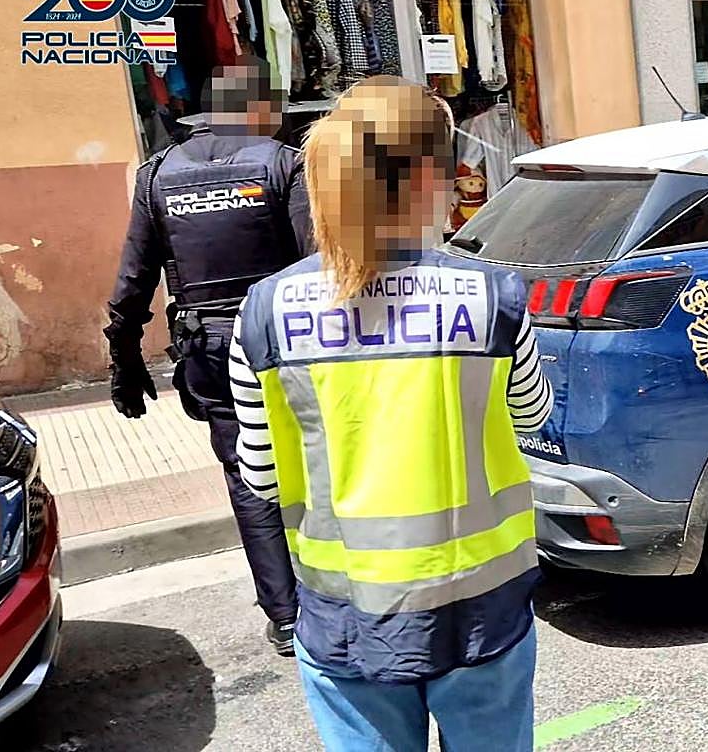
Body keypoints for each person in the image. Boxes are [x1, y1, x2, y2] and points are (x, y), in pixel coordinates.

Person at [229, 75, 553, 751]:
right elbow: (531, 416)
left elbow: (260, 477)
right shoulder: (493, 296)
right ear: (433, 178)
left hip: (345, 622)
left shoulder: (264, 311)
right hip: (480, 614)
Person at [105, 57, 310, 656]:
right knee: (315, 457)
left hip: (211, 349)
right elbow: (314, 261)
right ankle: (331, 594)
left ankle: (287, 616)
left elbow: (134, 278)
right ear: (259, 108)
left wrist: (124, 359)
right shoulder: (283, 163)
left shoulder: (158, 174)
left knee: (246, 474)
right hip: (284, 337)